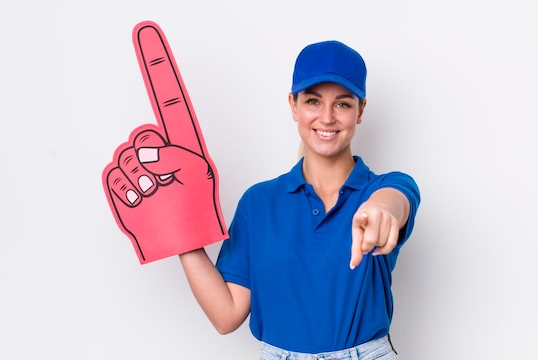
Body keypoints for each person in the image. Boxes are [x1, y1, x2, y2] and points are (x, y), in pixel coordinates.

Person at [178, 40, 420, 360]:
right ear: (293, 105)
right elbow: (227, 316)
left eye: (343, 104)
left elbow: (396, 201)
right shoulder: (258, 204)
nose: (327, 117)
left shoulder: (385, 187)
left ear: (361, 110)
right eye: (313, 101)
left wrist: (380, 210)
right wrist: (179, 233)